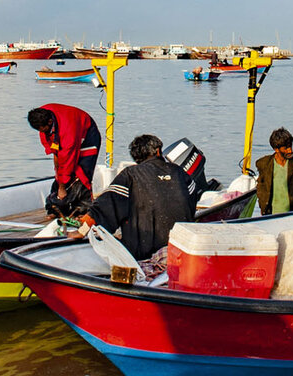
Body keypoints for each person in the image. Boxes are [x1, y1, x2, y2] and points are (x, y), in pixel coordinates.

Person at [70, 134, 199, 260]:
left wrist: (83, 228)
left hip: (144, 253)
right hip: (181, 251)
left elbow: (106, 206)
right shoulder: (180, 173)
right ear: (158, 152)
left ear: (136, 158)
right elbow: (190, 205)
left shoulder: (130, 175)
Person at [28, 104, 101, 218]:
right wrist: (57, 172)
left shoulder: (68, 134)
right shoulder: (40, 116)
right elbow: (54, 150)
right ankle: (56, 209)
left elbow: (67, 162)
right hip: (64, 132)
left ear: (50, 122)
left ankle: (82, 211)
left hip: (87, 136)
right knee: (60, 174)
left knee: (80, 174)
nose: (41, 132)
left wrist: (62, 188)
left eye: (43, 130)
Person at [255, 127, 293, 215]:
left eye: (290, 146)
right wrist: (263, 206)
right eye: (286, 148)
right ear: (276, 149)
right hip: (272, 216)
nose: (290, 150)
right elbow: (261, 187)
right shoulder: (265, 164)